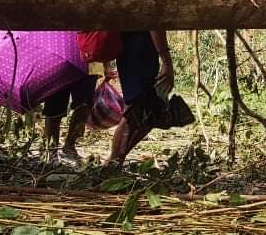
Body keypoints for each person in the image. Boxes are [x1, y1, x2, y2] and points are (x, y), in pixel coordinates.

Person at [106, 30, 192, 166]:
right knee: (136, 111)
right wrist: (167, 62)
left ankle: (116, 161)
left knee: (147, 112)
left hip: (135, 51)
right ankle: (112, 163)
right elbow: (155, 25)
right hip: (140, 52)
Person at [41, 73, 98, 164]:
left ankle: (70, 146)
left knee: (85, 105)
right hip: (58, 65)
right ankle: (51, 149)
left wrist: (106, 65)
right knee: (53, 107)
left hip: (89, 65)